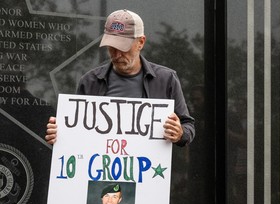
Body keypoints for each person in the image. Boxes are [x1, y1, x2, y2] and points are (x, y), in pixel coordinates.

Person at [45, 9, 194, 146]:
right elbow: (77, 133)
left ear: (141, 42)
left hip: (147, 171)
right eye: (112, 47)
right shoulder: (89, 81)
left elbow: (188, 126)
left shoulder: (166, 80)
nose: (117, 55)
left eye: (123, 47)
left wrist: (180, 133)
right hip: (99, 171)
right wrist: (60, 135)